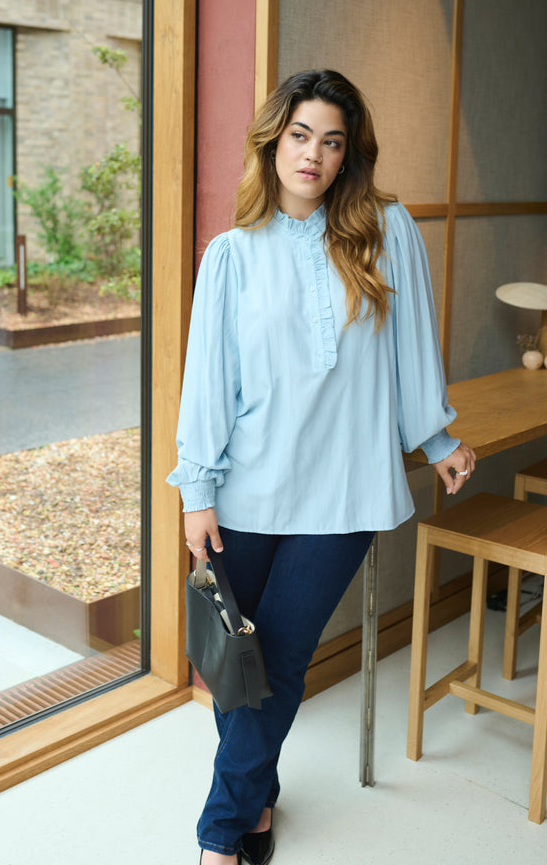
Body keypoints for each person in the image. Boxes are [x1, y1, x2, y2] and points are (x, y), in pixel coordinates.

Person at [166, 70, 476, 865]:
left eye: (332, 142)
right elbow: (208, 383)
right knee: (235, 657)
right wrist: (197, 488)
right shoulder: (231, 255)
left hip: (343, 492)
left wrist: (438, 440)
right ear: (273, 145)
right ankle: (257, 803)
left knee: (281, 656)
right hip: (244, 489)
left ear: (348, 158)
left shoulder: (387, 230)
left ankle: (217, 837)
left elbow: (413, 351)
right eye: (300, 135)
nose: (314, 154)